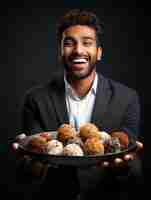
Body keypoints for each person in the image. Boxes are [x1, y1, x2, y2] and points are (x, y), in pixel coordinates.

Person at [12, 9, 143, 200]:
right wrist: (32, 162)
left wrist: (124, 166)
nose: (78, 50)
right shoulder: (35, 98)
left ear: (99, 52)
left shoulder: (127, 98)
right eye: (69, 43)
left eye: (87, 43)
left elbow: (134, 168)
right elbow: (26, 175)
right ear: (60, 52)